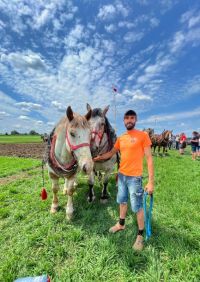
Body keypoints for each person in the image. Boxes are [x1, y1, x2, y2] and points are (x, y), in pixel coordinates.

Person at [93, 110, 154, 251]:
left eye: (132, 118)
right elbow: (111, 153)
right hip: (121, 176)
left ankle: (140, 235)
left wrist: (151, 182)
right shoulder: (121, 138)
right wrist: (99, 158)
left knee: (137, 207)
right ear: (123, 121)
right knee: (122, 201)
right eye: (127, 118)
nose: (129, 120)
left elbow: (149, 159)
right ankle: (121, 224)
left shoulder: (143, 136)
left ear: (136, 120)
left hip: (135, 178)